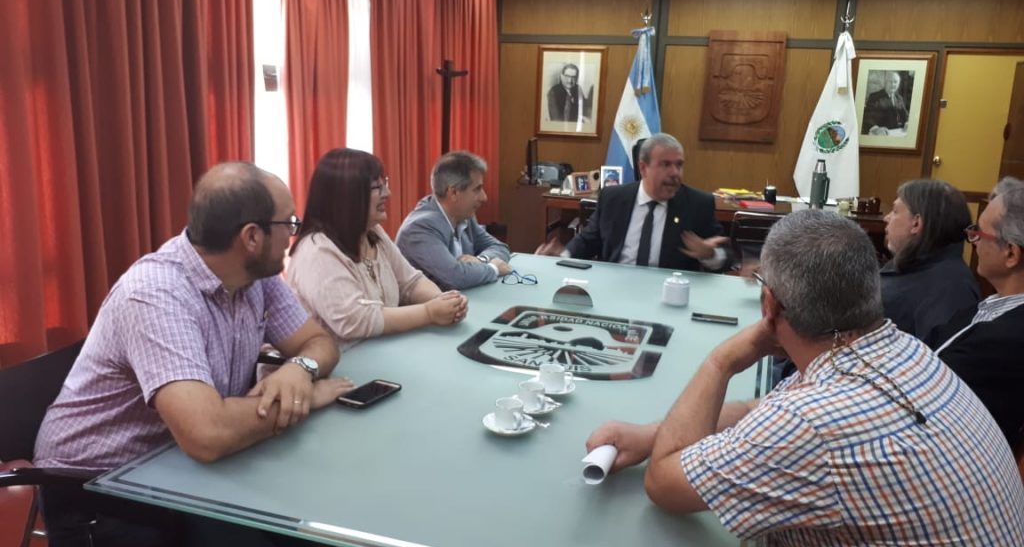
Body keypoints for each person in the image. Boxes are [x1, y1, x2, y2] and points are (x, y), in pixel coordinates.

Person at [586, 209, 1024, 545]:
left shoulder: (811, 422)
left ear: (769, 304)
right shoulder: (901, 350)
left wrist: (720, 361)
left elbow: (664, 484)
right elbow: (762, 410)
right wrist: (654, 434)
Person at [33, 162, 356, 547]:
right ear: (251, 237)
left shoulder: (255, 277)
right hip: (99, 487)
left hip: (180, 466)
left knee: (313, 531)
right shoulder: (156, 294)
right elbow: (207, 434)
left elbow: (318, 342)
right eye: (288, 224)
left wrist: (299, 371)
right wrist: (305, 400)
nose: (292, 235)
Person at [287, 148, 468, 352]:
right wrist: (428, 312)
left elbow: (411, 282)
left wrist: (444, 302)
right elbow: (354, 321)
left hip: (383, 354)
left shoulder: (374, 232)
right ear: (348, 195)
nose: (388, 194)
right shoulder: (316, 251)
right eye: (377, 188)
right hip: (336, 369)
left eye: (385, 185)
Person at [536, 132, 730, 272]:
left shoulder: (697, 204)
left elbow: (727, 257)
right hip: (615, 288)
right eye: (665, 165)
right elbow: (588, 241)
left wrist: (709, 255)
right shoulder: (613, 199)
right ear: (643, 168)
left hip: (669, 294)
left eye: (679, 165)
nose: (675, 173)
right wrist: (562, 257)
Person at [930, 176, 1024, 462]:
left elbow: (927, 385)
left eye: (979, 234)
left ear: (1011, 253)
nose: (972, 242)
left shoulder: (1007, 339)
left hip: (952, 460)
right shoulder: (993, 305)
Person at [880, 179, 979, 341]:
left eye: (895, 211)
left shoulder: (950, 290)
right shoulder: (918, 264)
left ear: (916, 223)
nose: (886, 218)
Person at [397, 151, 511, 290]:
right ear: (453, 193)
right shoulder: (419, 228)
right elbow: (456, 276)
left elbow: (500, 248)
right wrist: (494, 269)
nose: (484, 197)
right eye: (477, 189)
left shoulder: (464, 215)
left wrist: (480, 260)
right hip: (430, 308)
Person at [862, 71, 909, 135]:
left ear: (898, 84)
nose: (893, 84)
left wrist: (908, 122)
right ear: (885, 83)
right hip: (882, 134)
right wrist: (875, 129)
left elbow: (905, 114)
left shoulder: (899, 98)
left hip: (897, 132)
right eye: (890, 81)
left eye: (895, 82)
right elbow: (867, 117)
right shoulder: (875, 96)